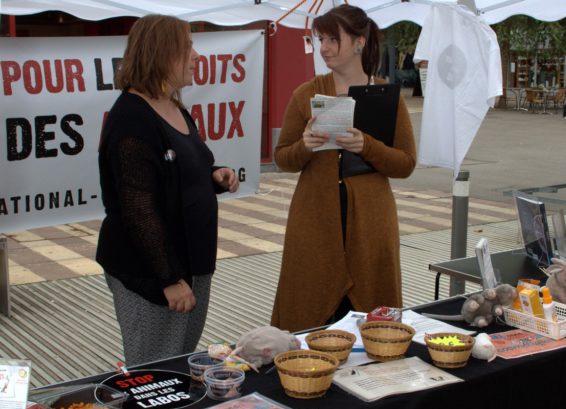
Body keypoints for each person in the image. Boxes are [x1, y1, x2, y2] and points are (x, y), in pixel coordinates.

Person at [96, 15, 239, 366]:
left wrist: (212, 175)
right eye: (187, 46)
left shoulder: (172, 105)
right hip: (154, 271)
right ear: (161, 53)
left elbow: (178, 172)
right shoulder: (132, 119)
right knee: (154, 368)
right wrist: (169, 278)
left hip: (191, 263)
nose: (196, 56)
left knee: (177, 362)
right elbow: (138, 209)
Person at [270, 5, 416, 332]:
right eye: (320, 38)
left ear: (360, 42)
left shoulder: (386, 96)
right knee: (310, 326)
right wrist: (305, 145)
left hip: (371, 230)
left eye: (333, 39)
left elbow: (406, 162)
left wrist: (368, 147)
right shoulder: (306, 94)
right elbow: (282, 158)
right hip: (314, 226)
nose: (323, 47)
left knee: (374, 331)